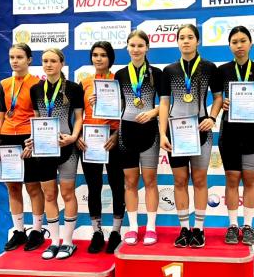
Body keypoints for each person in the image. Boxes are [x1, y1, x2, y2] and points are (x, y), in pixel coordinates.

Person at [159, 24, 223, 248]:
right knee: (179, 180)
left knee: (199, 180)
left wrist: (212, 118)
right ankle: (184, 229)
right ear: (177, 42)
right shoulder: (169, 70)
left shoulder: (209, 67)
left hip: (201, 130)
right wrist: (162, 133)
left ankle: (199, 230)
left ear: (198, 41)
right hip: (175, 132)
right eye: (181, 38)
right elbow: (164, 103)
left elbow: (218, 97)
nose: (185, 41)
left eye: (190, 37)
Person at [29, 48, 83, 259]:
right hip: (44, 149)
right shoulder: (36, 89)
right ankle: (54, 242)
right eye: (45, 61)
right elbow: (36, 118)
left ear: (62, 63)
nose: (49, 64)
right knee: (49, 195)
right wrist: (33, 138)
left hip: (67, 147)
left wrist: (73, 137)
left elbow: (78, 117)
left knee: (68, 193)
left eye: (53, 61)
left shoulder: (73, 88)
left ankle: (68, 242)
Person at [218, 26, 254, 245]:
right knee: (232, 179)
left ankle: (248, 226)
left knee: (250, 179)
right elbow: (217, 99)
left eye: (243, 41)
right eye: (234, 42)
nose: (239, 45)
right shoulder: (222, 71)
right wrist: (222, 103)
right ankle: (232, 225)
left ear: (250, 43)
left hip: (252, 132)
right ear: (229, 46)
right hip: (229, 132)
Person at [0, 43, 45, 252]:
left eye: (19, 57)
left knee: (33, 187)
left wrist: (35, 140)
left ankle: (37, 231)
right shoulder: (4, 84)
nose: (15, 61)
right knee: (13, 187)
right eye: (12, 57)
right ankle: (19, 230)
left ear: (29, 60)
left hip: (28, 139)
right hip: (7, 139)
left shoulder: (37, 84)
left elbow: (40, 116)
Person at [77, 41, 125, 254]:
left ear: (110, 58)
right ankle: (97, 232)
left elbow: (127, 111)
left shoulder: (119, 81)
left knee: (117, 185)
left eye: (103, 55)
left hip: (113, 138)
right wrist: (78, 135)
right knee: (93, 187)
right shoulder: (84, 83)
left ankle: (115, 232)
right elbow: (77, 114)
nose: (98, 58)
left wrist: (117, 134)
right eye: (95, 55)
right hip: (89, 140)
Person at [115, 30, 162, 245]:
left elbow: (166, 103)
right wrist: (100, 101)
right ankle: (133, 227)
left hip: (150, 131)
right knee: (130, 181)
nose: (136, 49)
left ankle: (151, 227)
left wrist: (153, 112)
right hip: (127, 132)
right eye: (132, 45)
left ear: (147, 48)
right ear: (127, 47)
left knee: (150, 180)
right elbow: (116, 105)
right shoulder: (120, 74)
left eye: (140, 45)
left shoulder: (156, 73)